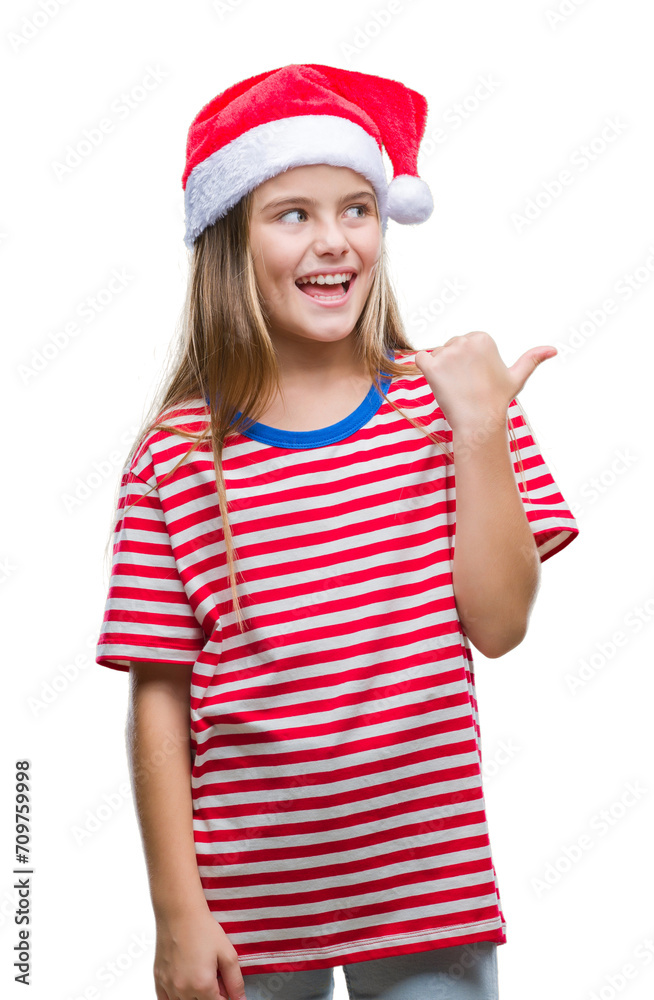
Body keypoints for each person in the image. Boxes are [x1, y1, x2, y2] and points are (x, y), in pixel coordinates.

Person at [95, 63, 579, 1000]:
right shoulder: (175, 456)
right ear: (229, 240)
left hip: (429, 897)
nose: (334, 240)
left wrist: (479, 430)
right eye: (293, 214)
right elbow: (159, 696)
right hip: (247, 916)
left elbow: (499, 625)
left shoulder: (451, 403)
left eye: (356, 209)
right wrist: (176, 912)